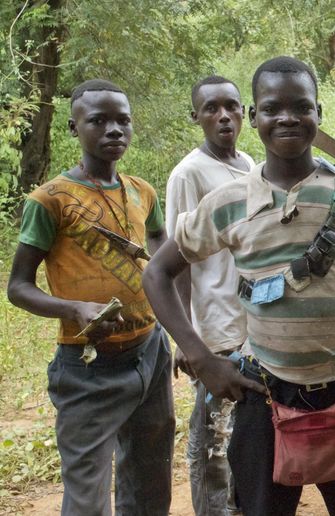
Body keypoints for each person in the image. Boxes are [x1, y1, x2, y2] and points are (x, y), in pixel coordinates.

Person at [142, 56, 335, 516]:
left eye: (302, 107)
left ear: (319, 113)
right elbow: (157, 273)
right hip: (263, 392)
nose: (288, 117)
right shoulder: (228, 202)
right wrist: (199, 356)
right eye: (272, 108)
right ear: (255, 118)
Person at [7, 79, 174, 515]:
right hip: (89, 366)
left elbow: (160, 247)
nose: (114, 130)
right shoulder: (50, 201)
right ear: (72, 128)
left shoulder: (142, 191)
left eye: (123, 120)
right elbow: (18, 288)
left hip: (151, 352)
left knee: (150, 477)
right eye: (98, 121)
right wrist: (74, 308)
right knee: (87, 496)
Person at [166, 75, 255, 516]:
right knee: (212, 446)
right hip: (213, 328)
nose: (224, 115)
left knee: (245, 439)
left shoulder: (251, 164)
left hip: (250, 324)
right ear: (196, 116)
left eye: (232, 106)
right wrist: (188, 340)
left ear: (244, 112)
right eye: (212, 108)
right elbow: (175, 260)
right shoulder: (188, 173)